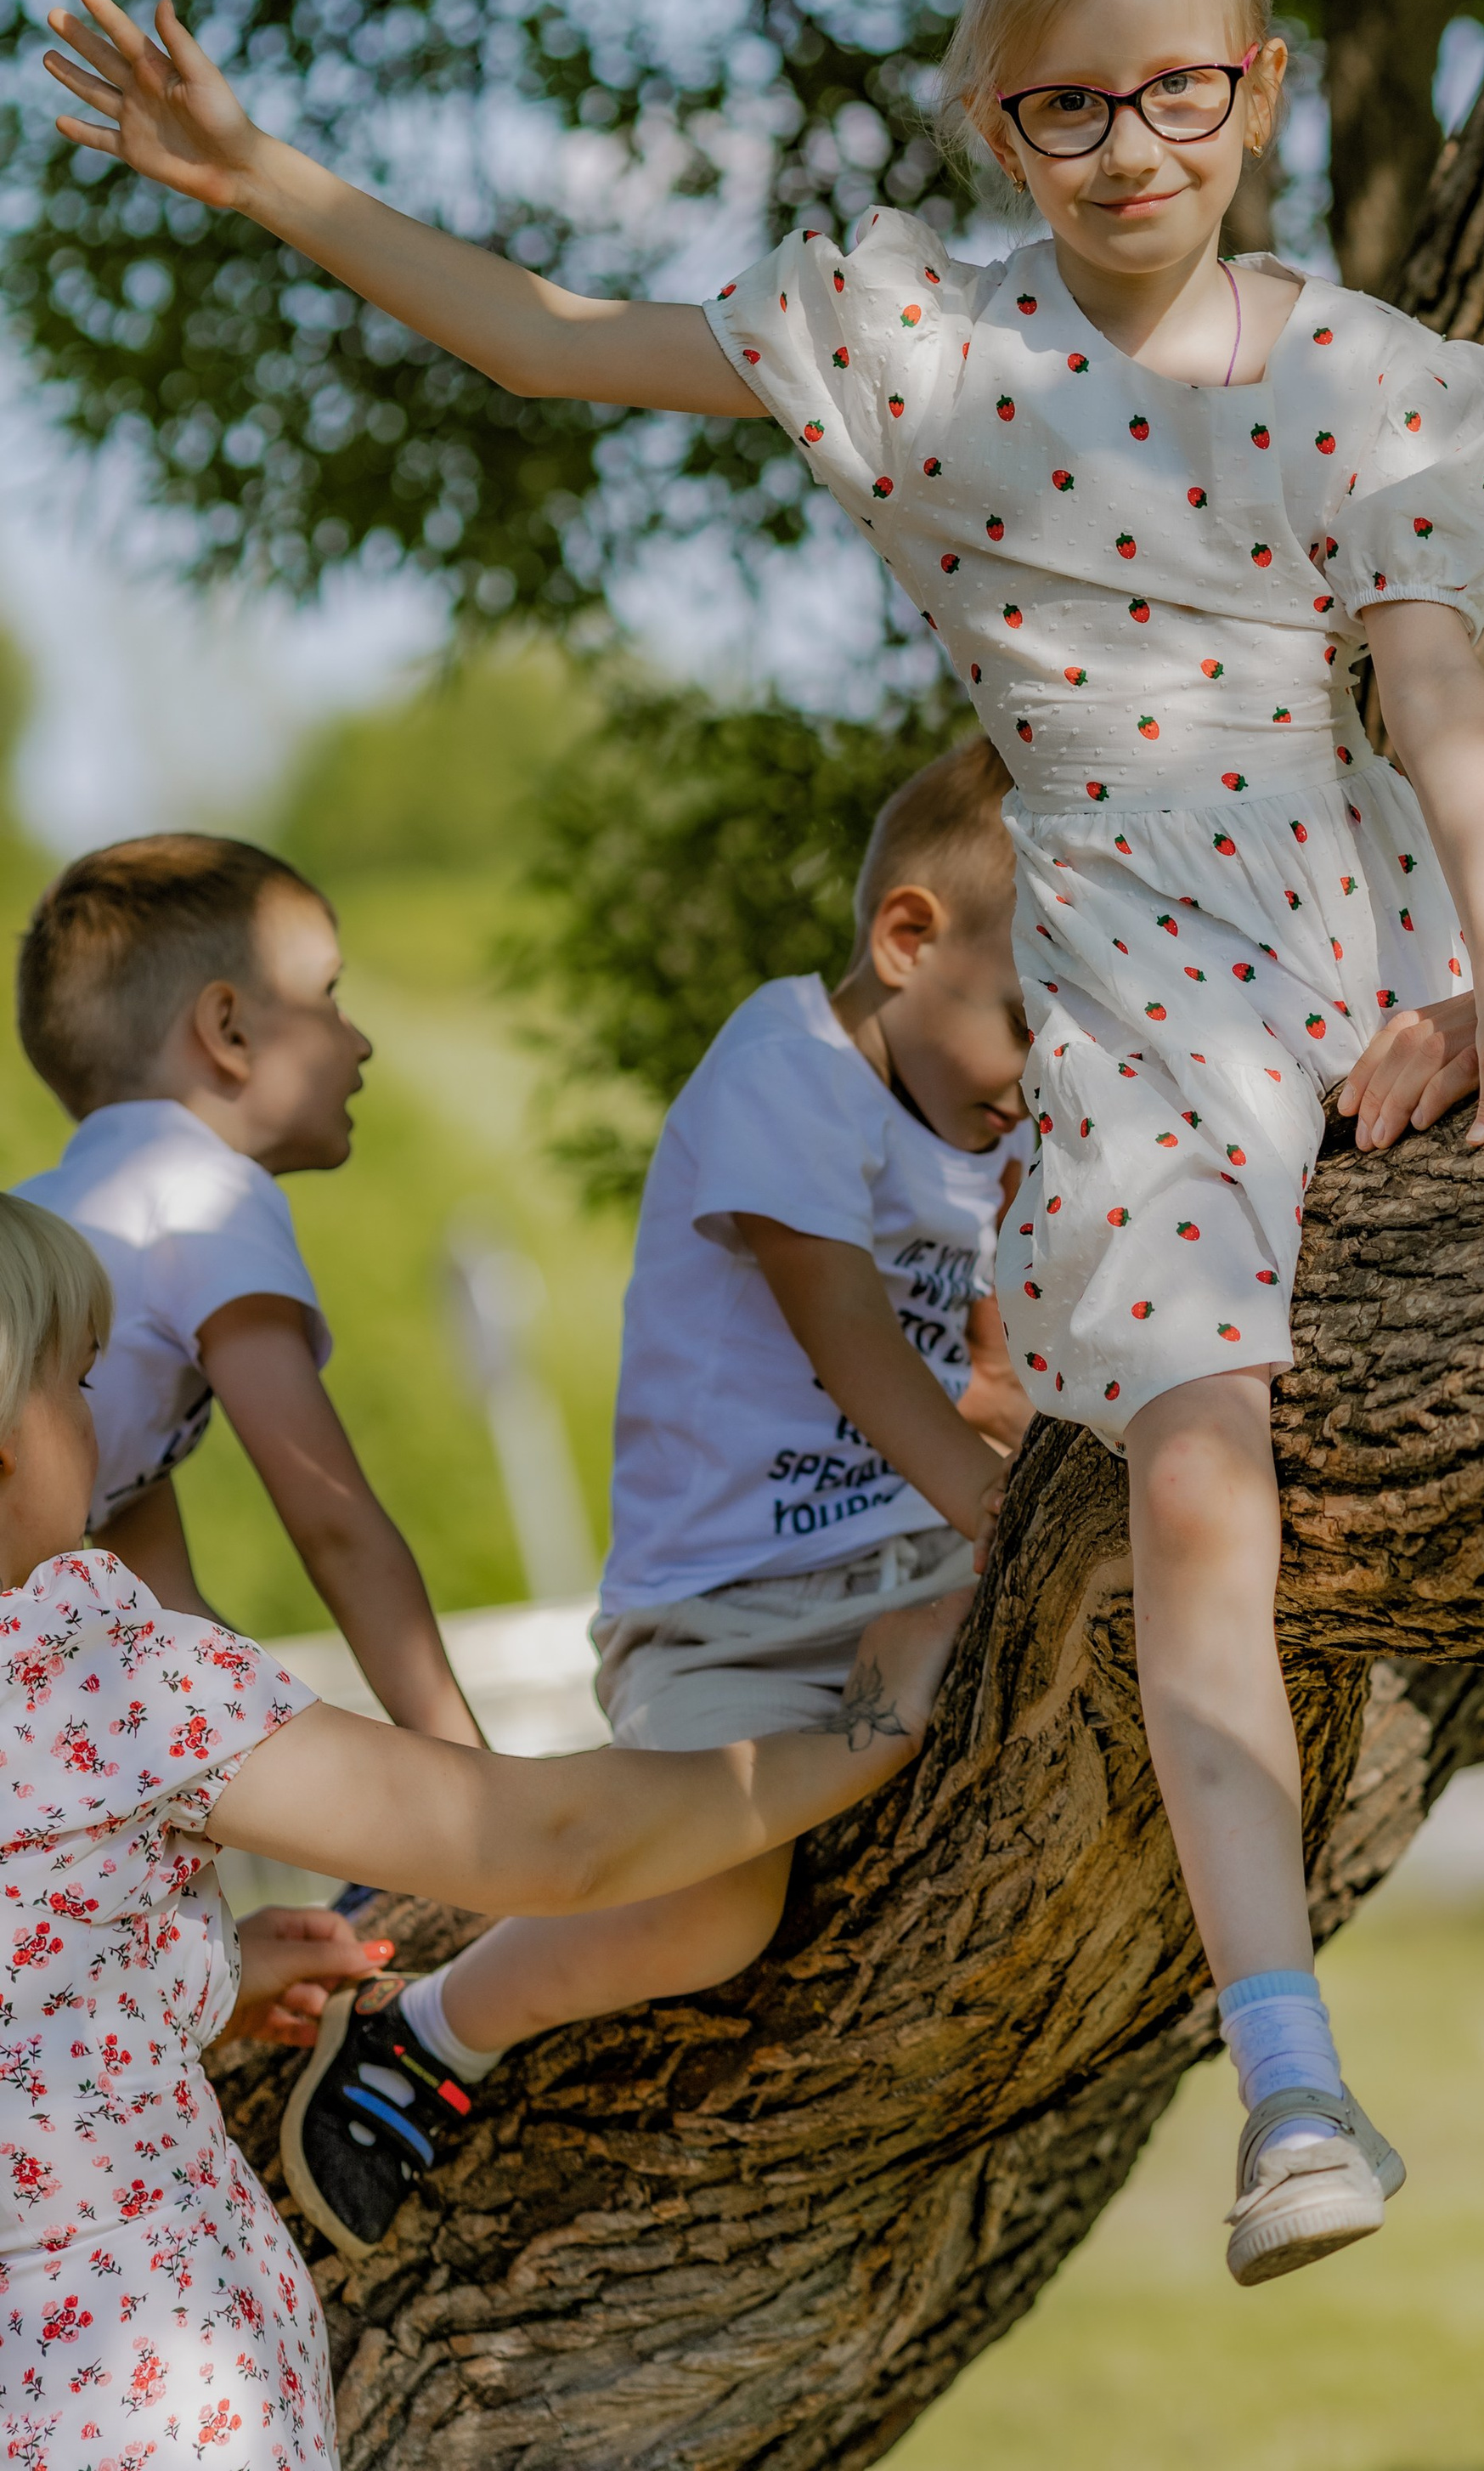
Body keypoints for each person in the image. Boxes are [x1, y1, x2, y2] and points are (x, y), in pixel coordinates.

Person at [37, 0, 1484, 2287]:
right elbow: (547, 336)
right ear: (993, 120)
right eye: (1064, 108)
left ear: (1259, 83)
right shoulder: (928, 342)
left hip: (1365, 961)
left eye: (1177, 91)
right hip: (1138, 1010)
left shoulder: (1367, 373)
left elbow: (1440, 675)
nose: (1132, 146)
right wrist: (257, 172)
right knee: (1196, 1492)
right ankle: (1288, 2075)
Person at [0, 1189, 961, 2471]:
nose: (94, 1417)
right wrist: (875, 1727)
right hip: (144, 2407)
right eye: (73, 1382)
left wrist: (200, 1978)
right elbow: (551, 1845)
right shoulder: (84, 1675)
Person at [276, 734, 1031, 2258]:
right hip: (730, 1617)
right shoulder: (786, 1074)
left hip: (911, 1569)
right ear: (906, 939)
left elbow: (992, 1383)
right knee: (715, 1906)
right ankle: (431, 2031)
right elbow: (866, 1357)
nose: (1055, 1068)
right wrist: (1017, 1538)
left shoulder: (1001, 1126)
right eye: (1033, 1019)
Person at [12, 831, 485, 1750]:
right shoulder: (204, 1194)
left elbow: (169, 1630)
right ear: (227, 1031)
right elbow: (335, 1526)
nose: (360, 1041)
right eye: (330, 995)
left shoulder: (97, 1245)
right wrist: (473, 1789)